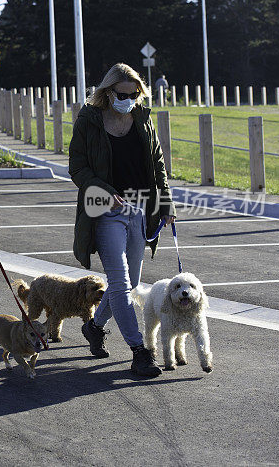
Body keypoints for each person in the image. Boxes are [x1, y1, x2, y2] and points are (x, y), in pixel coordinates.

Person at [68, 63, 176, 377]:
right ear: (108, 91)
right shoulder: (89, 120)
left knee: (126, 286)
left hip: (140, 208)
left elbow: (158, 164)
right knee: (119, 281)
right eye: (122, 93)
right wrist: (104, 190)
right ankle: (140, 351)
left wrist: (166, 203)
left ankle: (95, 327)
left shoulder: (142, 118)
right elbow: (77, 169)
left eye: (134, 94)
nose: (128, 99)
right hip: (105, 210)